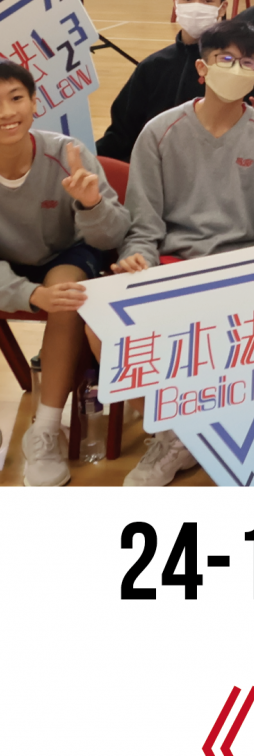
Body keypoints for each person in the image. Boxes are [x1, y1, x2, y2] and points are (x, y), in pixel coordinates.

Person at [112, 18, 254, 487]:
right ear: (202, 68)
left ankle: (228, 437)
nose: (236, 70)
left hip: (247, 262)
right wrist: (139, 259)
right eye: (225, 59)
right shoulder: (159, 132)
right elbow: (144, 224)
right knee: (109, 324)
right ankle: (174, 435)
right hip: (179, 262)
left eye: (247, 63)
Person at [0, 61, 131, 487]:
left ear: (35, 103)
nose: (7, 112)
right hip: (6, 263)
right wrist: (26, 294)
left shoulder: (66, 153)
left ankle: (45, 428)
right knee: (48, 293)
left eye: (16, 98)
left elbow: (114, 234)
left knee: (67, 293)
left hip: (66, 253)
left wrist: (92, 205)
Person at [98, 0, 231, 163]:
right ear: (175, 4)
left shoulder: (233, 67)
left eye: (207, 1)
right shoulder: (153, 67)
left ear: (222, 8)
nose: (196, 7)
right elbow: (121, 134)